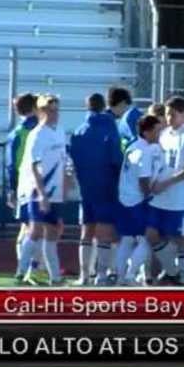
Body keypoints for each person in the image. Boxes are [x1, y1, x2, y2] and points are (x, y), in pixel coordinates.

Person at [147, 96, 184, 285]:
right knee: (151, 234)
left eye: (173, 114)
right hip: (159, 196)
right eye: (167, 114)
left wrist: (166, 183)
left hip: (179, 196)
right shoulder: (164, 134)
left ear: (183, 114)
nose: (169, 118)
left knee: (179, 236)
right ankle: (172, 270)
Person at [69, 93, 123, 285]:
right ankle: (101, 274)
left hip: (86, 186)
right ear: (103, 106)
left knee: (86, 230)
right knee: (104, 231)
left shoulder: (79, 130)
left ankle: (84, 276)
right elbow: (116, 157)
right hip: (107, 184)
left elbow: (72, 158)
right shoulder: (109, 127)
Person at [16, 94, 69, 285]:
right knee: (36, 230)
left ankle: (55, 276)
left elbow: (64, 160)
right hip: (39, 190)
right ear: (41, 111)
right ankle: (21, 272)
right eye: (49, 109)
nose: (54, 114)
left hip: (55, 190)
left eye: (56, 109)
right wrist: (42, 194)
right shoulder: (37, 134)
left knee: (53, 231)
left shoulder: (60, 131)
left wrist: (66, 182)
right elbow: (35, 165)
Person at [115, 115, 164, 285]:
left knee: (127, 239)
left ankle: (121, 277)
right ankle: (130, 276)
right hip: (138, 200)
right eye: (157, 130)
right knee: (146, 239)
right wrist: (148, 197)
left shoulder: (132, 147)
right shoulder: (145, 151)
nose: (160, 134)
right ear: (146, 132)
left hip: (124, 199)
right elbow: (144, 179)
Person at [4, 94, 40, 281]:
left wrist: (11, 189)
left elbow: (10, 164)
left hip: (23, 185)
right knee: (35, 228)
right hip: (37, 185)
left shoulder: (16, 133)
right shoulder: (37, 130)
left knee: (27, 227)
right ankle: (30, 269)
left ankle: (27, 268)